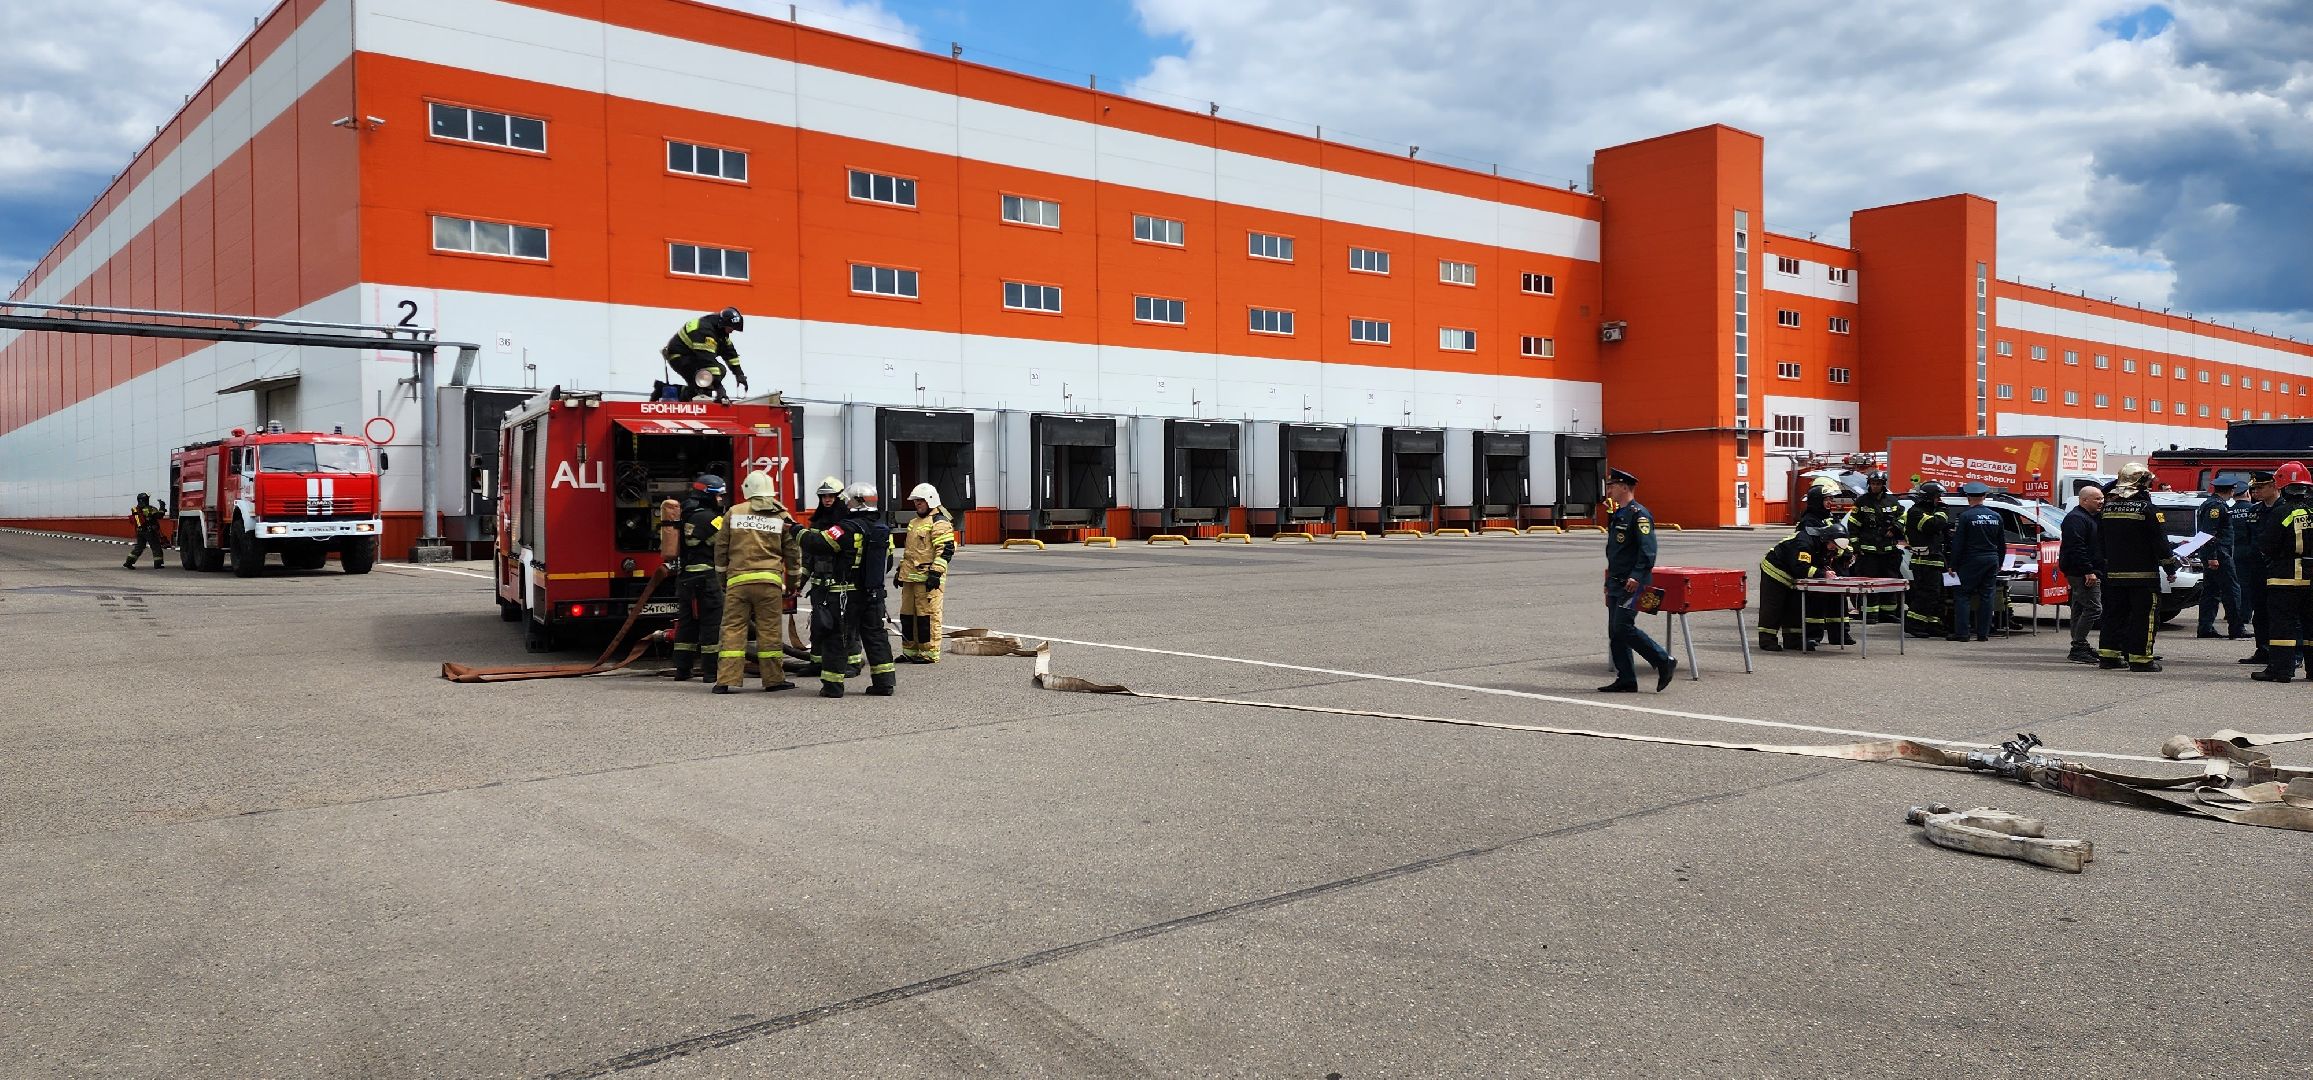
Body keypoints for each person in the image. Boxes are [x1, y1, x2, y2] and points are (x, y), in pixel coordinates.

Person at [711, 470, 803, 694]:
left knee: (732, 629)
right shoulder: (782, 515)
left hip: (738, 583)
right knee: (769, 631)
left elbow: (721, 549)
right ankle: (773, 680)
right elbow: (792, 553)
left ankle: (725, 680)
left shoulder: (734, 512)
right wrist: (793, 583)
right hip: (769, 583)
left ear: (747, 489)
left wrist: (723, 580)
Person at [1597, 467, 1675, 693]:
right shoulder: (1619, 514)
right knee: (1615, 631)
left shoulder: (1639, 514)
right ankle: (1627, 679)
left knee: (1623, 626)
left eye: (1612, 486)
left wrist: (1636, 576)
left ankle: (1663, 660)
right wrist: (1608, 581)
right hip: (1616, 581)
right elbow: (1617, 552)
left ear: (1624, 487)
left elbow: (1648, 551)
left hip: (1633, 582)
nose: (1609, 490)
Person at [2096, 463, 2175, 672]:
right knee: (2144, 617)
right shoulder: (2147, 509)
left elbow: (2100, 541)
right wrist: (2170, 567)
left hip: (2113, 574)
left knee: (2113, 615)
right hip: (2143, 576)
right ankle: (2141, 659)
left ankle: (2109, 656)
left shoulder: (2107, 507)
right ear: (2140, 483)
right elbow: (2160, 542)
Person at [798, 479, 872, 698]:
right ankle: (817, 662)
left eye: (831, 496)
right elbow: (809, 557)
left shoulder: (846, 523)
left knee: (845, 626)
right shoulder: (818, 521)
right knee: (820, 624)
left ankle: (852, 662)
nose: (827, 500)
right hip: (820, 583)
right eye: (823, 496)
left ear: (840, 497)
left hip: (841, 583)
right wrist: (800, 582)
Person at [659, 474, 726, 682]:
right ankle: (710, 672)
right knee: (711, 625)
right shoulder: (711, 519)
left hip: (686, 578)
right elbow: (724, 544)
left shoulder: (684, 515)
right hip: (707, 578)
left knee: (686, 625)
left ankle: (682, 669)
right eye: (719, 496)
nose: (721, 501)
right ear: (708, 496)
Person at [2250, 461, 2311, 683]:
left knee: (2282, 625)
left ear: (2282, 485)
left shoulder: (2281, 512)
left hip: (2284, 578)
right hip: (2311, 578)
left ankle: (2281, 670)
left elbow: (2266, 544)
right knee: (2310, 625)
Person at [837, 482, 898, 696]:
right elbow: (888, 562)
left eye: (850, 500)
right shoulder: (882, 528)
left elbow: (826, 547)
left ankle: (833, 685)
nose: (847, 504)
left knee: (840, 634)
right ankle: (884, 683)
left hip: (853, 592)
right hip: (876, 593)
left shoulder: (848, 527)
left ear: (859, 502)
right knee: (876, 636)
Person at [1757, 520, 1850, 652]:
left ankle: (1793, 640)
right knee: (1773, 607)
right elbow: (1800, 566)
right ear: (1827, 539)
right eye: (1833, 546)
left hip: (1792, 576)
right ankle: (1767, 640)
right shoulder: (1804, 543)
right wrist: (1822, 574)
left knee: (1794, 607)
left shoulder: (1821, 544)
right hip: (1775, 571)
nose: (1834, 550)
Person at [896, 482, 957, 664]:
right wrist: (901, 571)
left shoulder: (939, 522)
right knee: (907, 616)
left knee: (927, 617)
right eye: (915, 501)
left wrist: (935, 574)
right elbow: (910, 551)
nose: (917, 504)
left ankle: (929, 653)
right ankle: (910, 651)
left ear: (931, 500)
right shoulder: (914, 523)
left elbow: (945, 550)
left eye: (920, 501)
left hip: (928, 580)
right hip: (910, 579)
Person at [1944, 481, 2005, 642]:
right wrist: (2000, 562)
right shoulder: (1996, 516)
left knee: (1963, 595)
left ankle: (1963, 633)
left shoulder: (1965, 516)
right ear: (1984, 496)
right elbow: (2002, 543)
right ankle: (1983, 634)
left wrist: (1953, 565)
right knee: (1987, 596)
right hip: (1991, 559)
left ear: (1968, 497)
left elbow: (1958, 543)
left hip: (1971, 560)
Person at [1844, 471, 1904, 623]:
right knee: (1870, 583)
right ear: (1869, 484)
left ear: (1883, 485)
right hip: (1868, 552)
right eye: (1873, 483)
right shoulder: (1862, 502)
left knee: (1890, 582)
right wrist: (1856, 548)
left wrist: (1896, 527)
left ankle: (1888, 613)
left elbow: (1903, 517)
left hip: (1889, 551)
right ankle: (1870, 614)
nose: (1875, 486)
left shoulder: (1892, 501)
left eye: (1878, 484)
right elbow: (1853, 526)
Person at [659, 307, 749, 403]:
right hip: (679, 356)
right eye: (731, 328)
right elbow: (706, 360)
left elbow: (730, 354)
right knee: (709, 375)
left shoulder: (720, 332)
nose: (732, 331)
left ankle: (691, 394)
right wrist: (719, 387)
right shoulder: (705, 330)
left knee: (715, 374)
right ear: (723, 324)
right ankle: (679, 394)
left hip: (694, 356)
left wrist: (739, 375)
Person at [2058, 485, 2105, 664]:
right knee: (2094, 608)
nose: (2101, 502)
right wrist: (2088, 570)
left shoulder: (2092, 517)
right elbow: (2076, 547)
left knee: (2079, 607)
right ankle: (2078, 647)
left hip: (2087, 569)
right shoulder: (2075, 519)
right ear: (2084, 500)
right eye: (2097, 499)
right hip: (2081, 571)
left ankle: (2080, 644)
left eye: (2101, 498)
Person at [2235, 471, 2278, 669]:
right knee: (2259, 612)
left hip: (2279, 568)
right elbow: (2250, 540)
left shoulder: (2284, 509)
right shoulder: (2254, 511)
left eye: (2260, 487)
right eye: (2254, 488)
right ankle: (2263, 649)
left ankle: (2285, 653)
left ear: (2274, 486)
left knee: (2279, 612)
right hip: (2257, 569)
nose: (2256, 491)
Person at [1901, 481, 1952, 638]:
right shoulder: (1916, 512)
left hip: (1935, 560)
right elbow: (1933, 525)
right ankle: (1913, 624)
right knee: (1925, 594)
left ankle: (1932, 624)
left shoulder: (1932, 511)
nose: (1940, 500)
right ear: (1929, 497)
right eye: (1938, 497)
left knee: (1938, 595)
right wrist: (1943, 511)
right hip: (1923, 561)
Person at [2196, 478, 2243, 638]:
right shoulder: (2216, 506)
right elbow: (2209, 533)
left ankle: (2205, 628)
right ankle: (2236, 628)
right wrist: (2212, 557)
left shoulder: (2210, 503)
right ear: (2230, 490)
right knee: (2232, 590)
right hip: (2219, 554)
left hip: (2215, 554)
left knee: (2211, 591)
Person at [125, 493, 168, 569]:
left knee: (139, 547)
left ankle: (129, 562)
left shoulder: (135, 509)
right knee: (156, 547)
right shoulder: (149, 509)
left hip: (139, 531)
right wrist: (162, 506)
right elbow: (159, 515)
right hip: (150, 531)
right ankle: (158, 564)